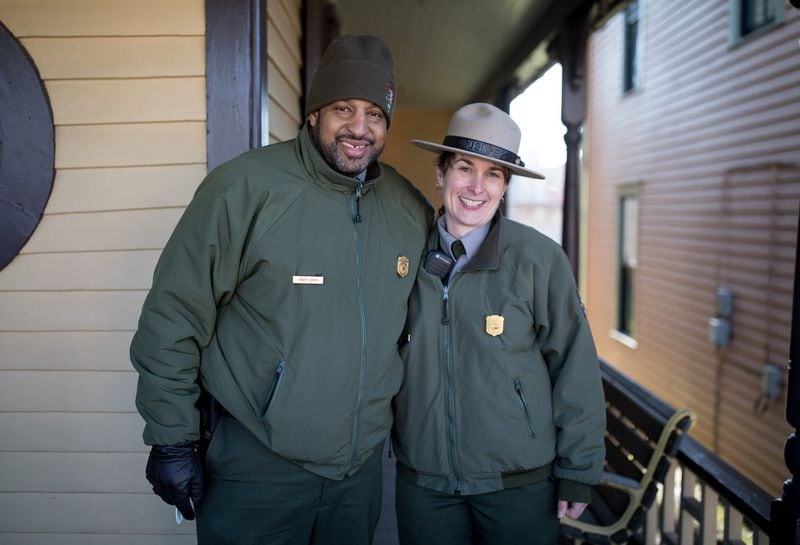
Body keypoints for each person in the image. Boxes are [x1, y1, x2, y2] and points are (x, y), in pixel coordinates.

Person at [130, 34, 432, 545]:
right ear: (314, 113)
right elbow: (173, 317)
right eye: (343, 108)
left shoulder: (407, 207)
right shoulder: (244, 190)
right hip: (255, 467)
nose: (359, 128)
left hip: (356, 476)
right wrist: (172, 439)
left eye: (375, 114)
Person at [391, 102, 606, 545]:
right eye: (465, 168)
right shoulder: (402, 257)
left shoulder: (538, 259)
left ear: (505, 186)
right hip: (424, 484)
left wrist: (578, 470)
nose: (476, 187)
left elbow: (575, 365)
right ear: (441, 173)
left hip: (520, 486)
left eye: (493, 174)